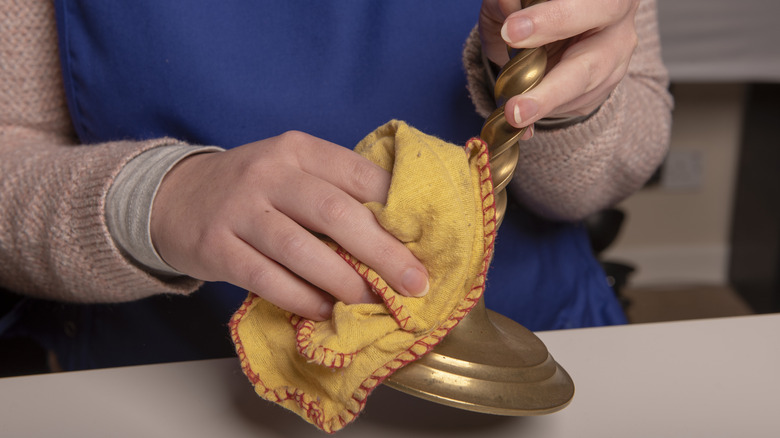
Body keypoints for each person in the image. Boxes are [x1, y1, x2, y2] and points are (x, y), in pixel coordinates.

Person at [0, 0, 672, 370]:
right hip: (169, 379)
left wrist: (560, 93)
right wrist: (157, 201)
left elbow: (614, 166)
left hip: (532, 349)